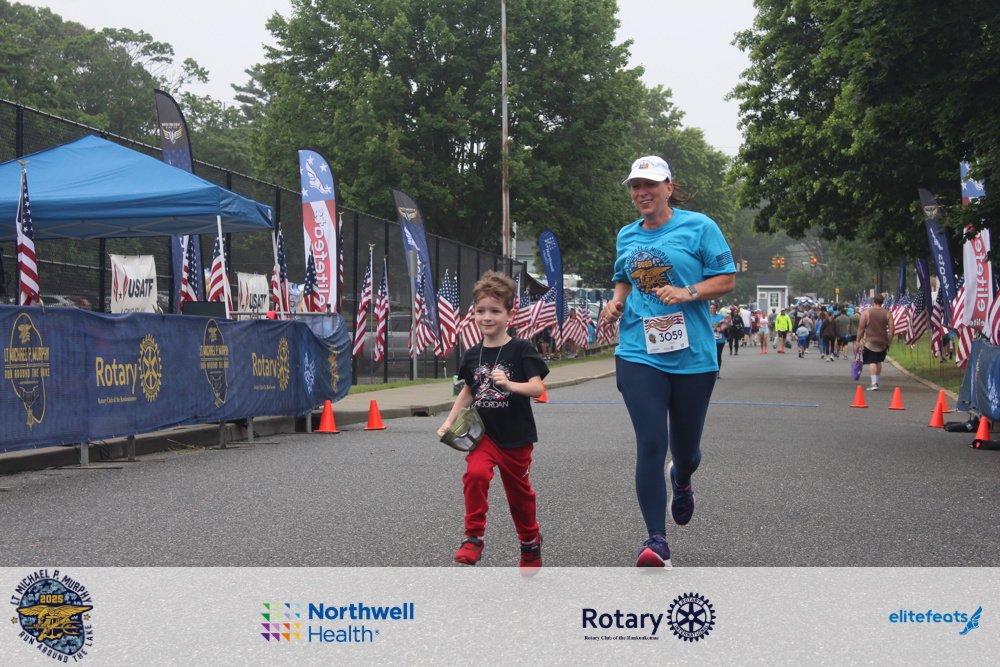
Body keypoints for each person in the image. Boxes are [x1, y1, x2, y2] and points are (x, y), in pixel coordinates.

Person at [601, 155, 736, 567]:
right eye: (636, 186)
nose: (642, 193)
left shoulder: (700, 227)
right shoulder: (627, 234)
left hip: (693, 355)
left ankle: (682, 478)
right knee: (651, 444)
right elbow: (623, 277)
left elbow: (727, 279)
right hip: (638, 352)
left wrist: (687, 292)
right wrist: (615, 303)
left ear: (668, 188)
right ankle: (656, 540)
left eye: (650, 185)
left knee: (686, 452)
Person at [437, 271, 549, 571]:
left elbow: (537, 388)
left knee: (519, 496)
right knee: (475, 475)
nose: (487, 317)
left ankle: (529, 542)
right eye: (481, 311)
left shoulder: (522, 349)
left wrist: (510, 384)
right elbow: (468, 391)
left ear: (510, 315)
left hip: (516, 436)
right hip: (482, 434)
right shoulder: (473, 354)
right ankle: (473, 537)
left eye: (495, 311)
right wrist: (449, 421)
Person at [855, 294, 894, 391]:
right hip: (882, 341)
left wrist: (857, 340)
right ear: (882, 302)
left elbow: (861, 328)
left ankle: (874, 383)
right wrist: (889, 341)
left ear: (874, 301)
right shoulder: (887, 313)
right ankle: (876, 381)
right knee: (878, 361)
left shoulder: (866, 313)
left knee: (872, 361)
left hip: (870, 342)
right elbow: (892, 329)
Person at [710, 301, 728, 376]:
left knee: (718, 355)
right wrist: (714, 329)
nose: (712, 310)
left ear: (716, 309)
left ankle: (717, 371)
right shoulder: (707, 317)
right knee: (711, 355)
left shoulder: (721, 317)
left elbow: (726, 325)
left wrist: (720, 328)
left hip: (720, 339)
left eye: (714, 308)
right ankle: (711, 370)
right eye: (711, 308)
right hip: (711, 339)